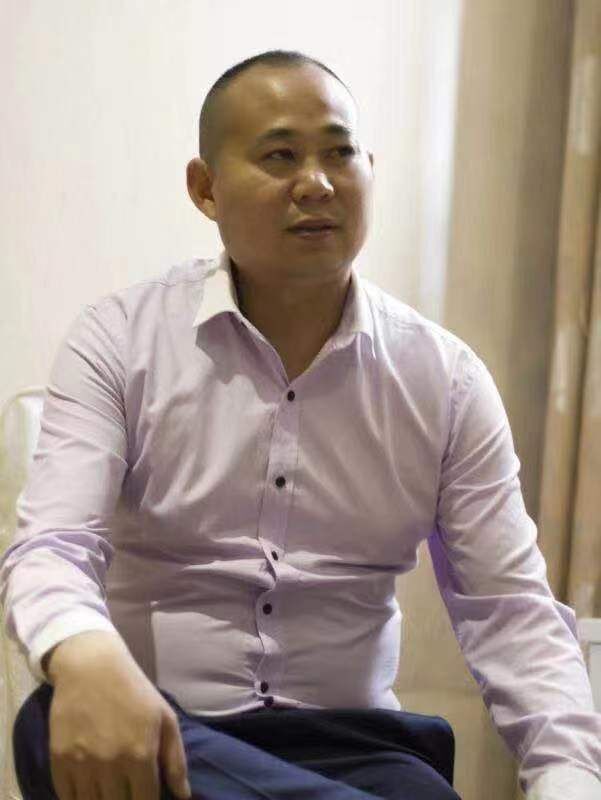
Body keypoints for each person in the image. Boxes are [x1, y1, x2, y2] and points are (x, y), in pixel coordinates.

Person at [1, 48, 600, 800]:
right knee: (53, 721)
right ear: (205, 188)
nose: (317, 182)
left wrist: (570, 779)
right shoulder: (120, 341)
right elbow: (53, 547)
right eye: (280, 155)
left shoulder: (444, 381)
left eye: (340, 154)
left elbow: (510, 611)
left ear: (370, 171)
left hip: (358, 751)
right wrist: (85, 652)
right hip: (166, 737)